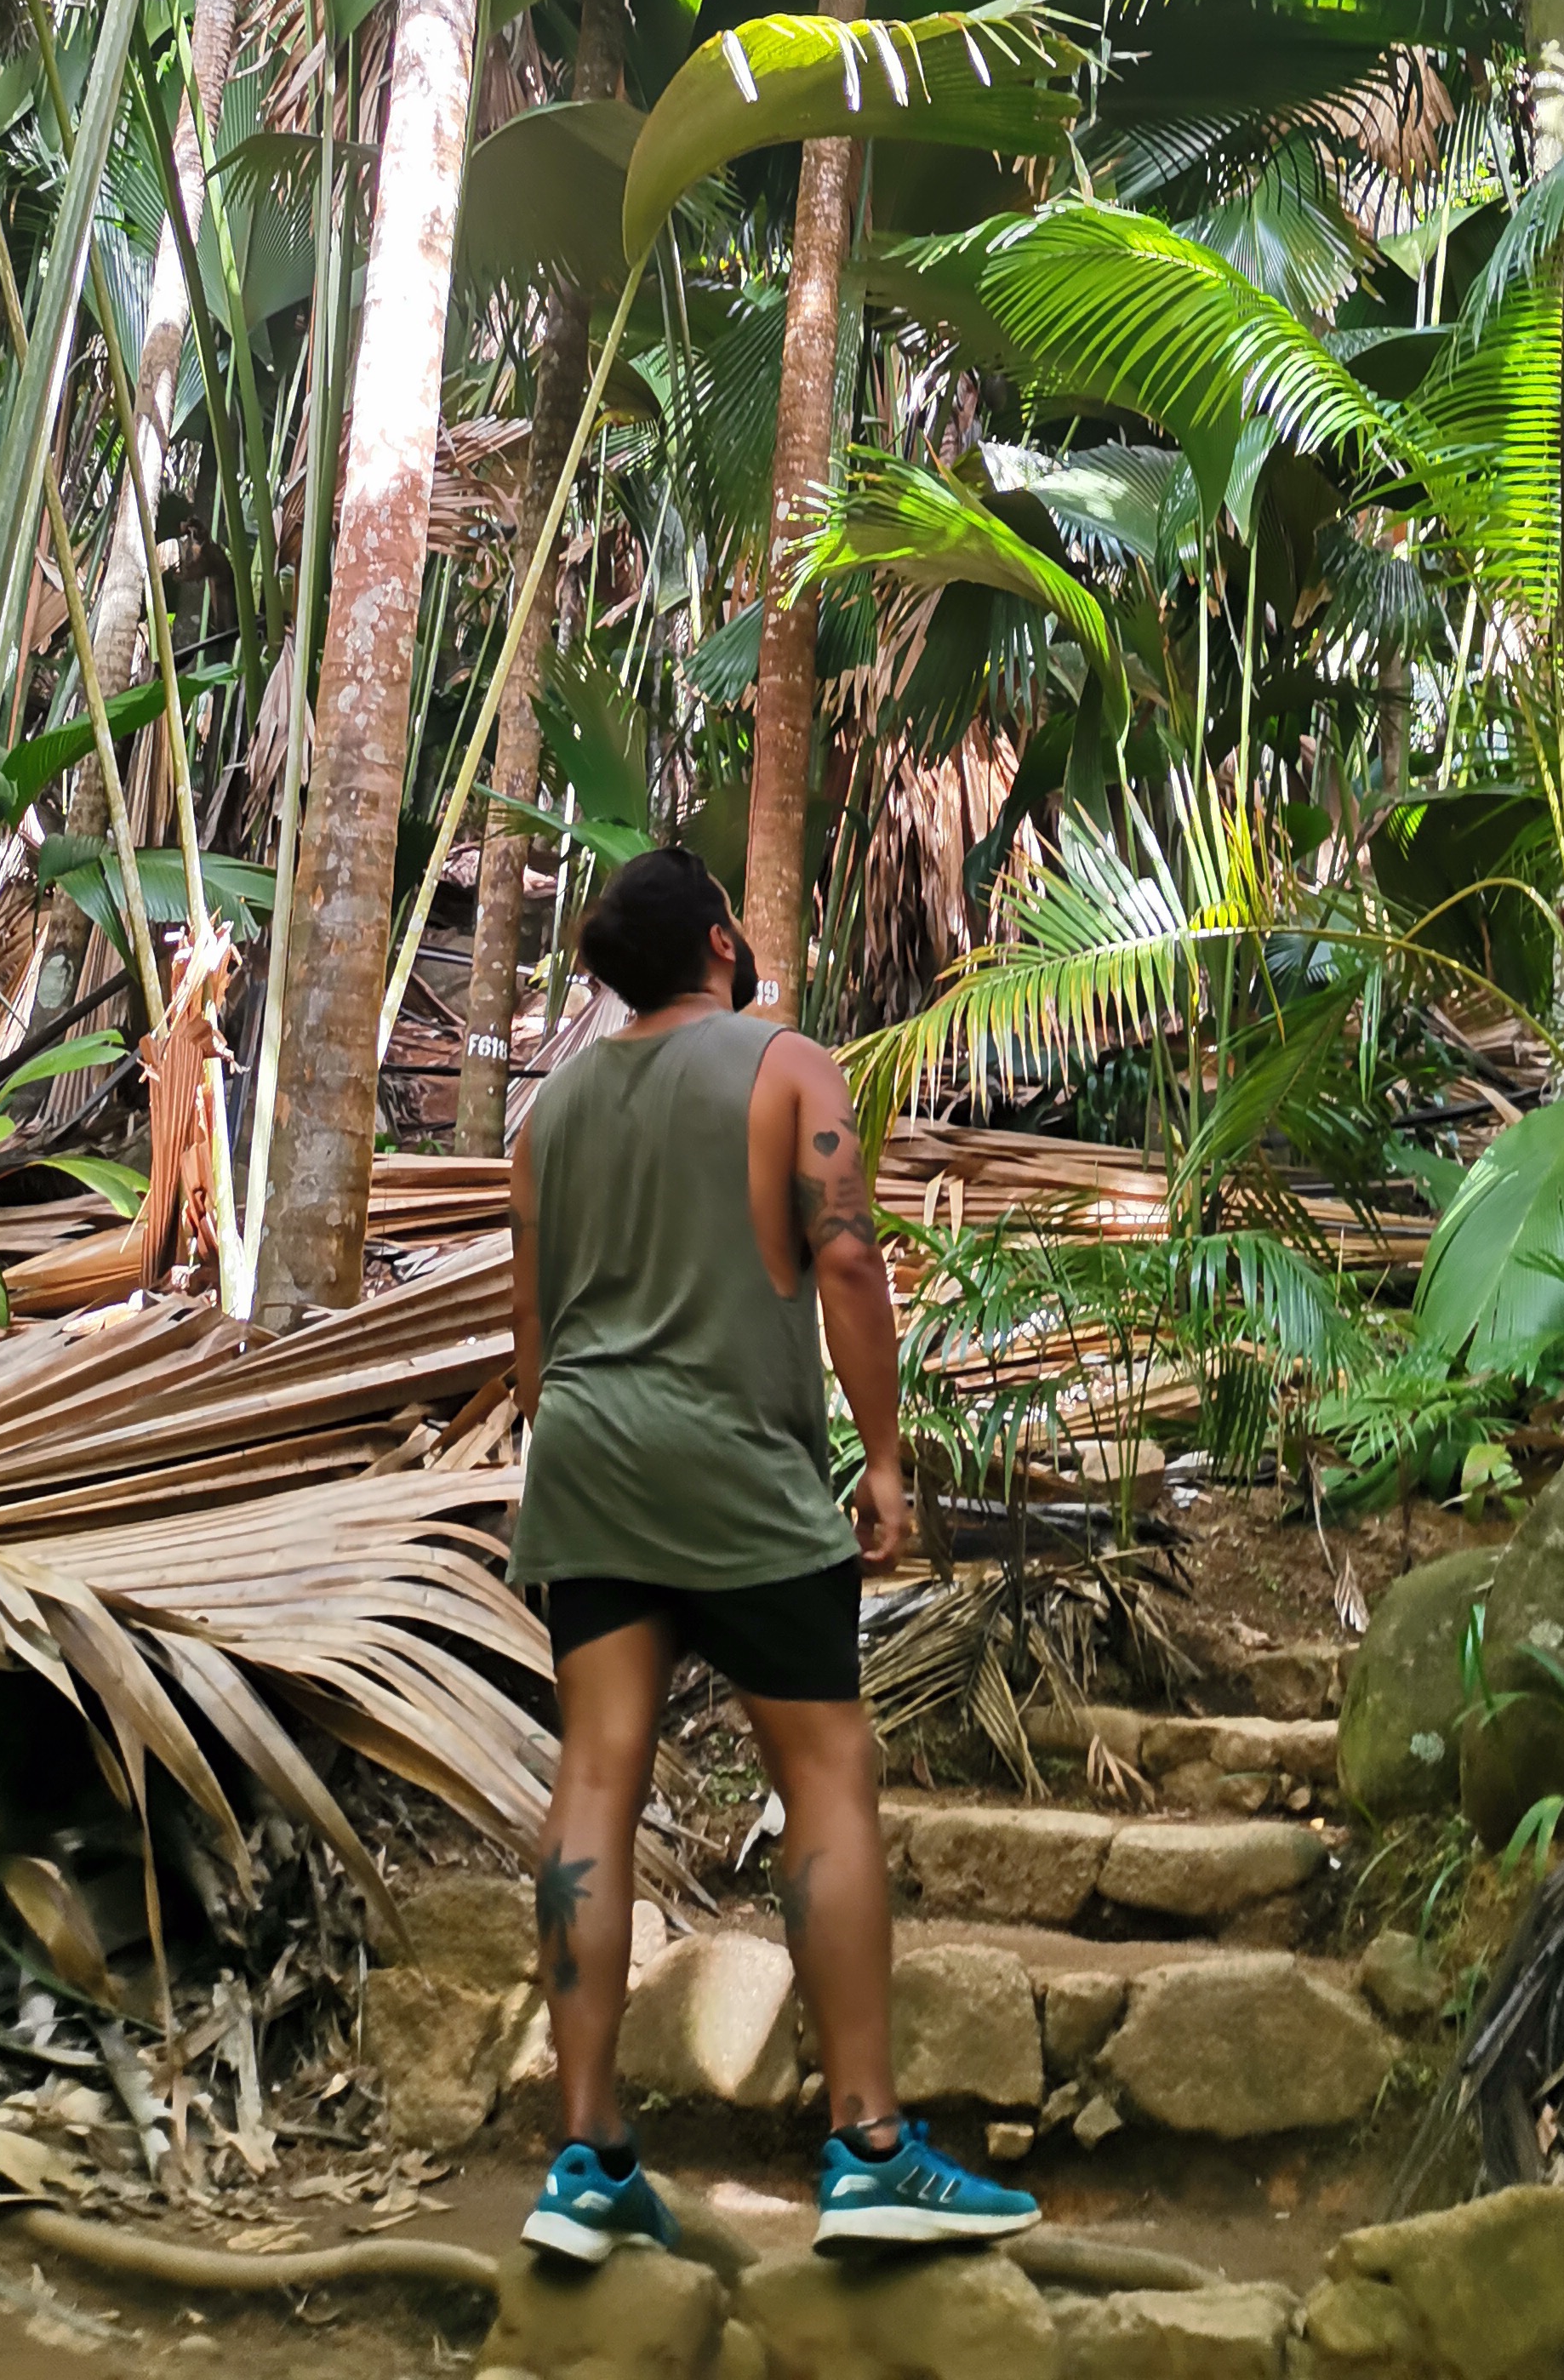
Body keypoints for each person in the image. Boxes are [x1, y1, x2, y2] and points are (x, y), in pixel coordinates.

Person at [504, 843, 1040, 2266]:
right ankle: (868, 2148)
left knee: (594, 1782)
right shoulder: (789, 1065)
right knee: (825, 1776)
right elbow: (847, 1259)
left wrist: (578, 1449)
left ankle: (585, 2158)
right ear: (723, 945)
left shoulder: (549, 1115)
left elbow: (532, 1337)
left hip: (588, 1465)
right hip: (739, 1466)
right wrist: (885, 1455)